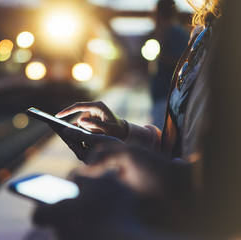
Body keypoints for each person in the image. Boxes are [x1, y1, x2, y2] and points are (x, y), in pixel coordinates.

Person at [32, 0, 224, 239]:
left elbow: (224, 191)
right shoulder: (205, 33)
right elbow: (183, 146)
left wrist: (144, 178)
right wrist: (125, 133)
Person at [150, 0, 189, 130]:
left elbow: (181, 62)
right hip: (164, 97)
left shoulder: (175, 33)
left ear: (159, 13)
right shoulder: (170, 32)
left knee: (160, 139)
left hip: (167, 98)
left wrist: (160, 56)